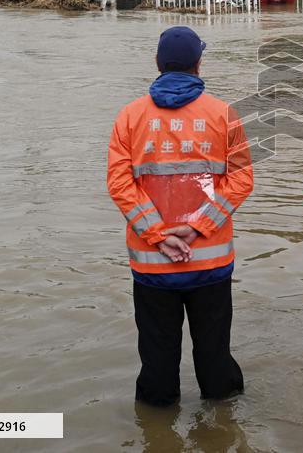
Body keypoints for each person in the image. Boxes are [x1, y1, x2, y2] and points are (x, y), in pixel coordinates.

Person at [107, 26, 254, 405]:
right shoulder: (224, 114)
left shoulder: (130, 117)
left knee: (156, 359)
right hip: (211, 262)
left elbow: (120, 185)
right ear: (198, 64)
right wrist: (196, 228)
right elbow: (241, 181)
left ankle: (156, 430)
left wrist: (159, 234)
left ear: (157, 63)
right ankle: (222, 427)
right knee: (215, 356)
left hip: (153, 265)